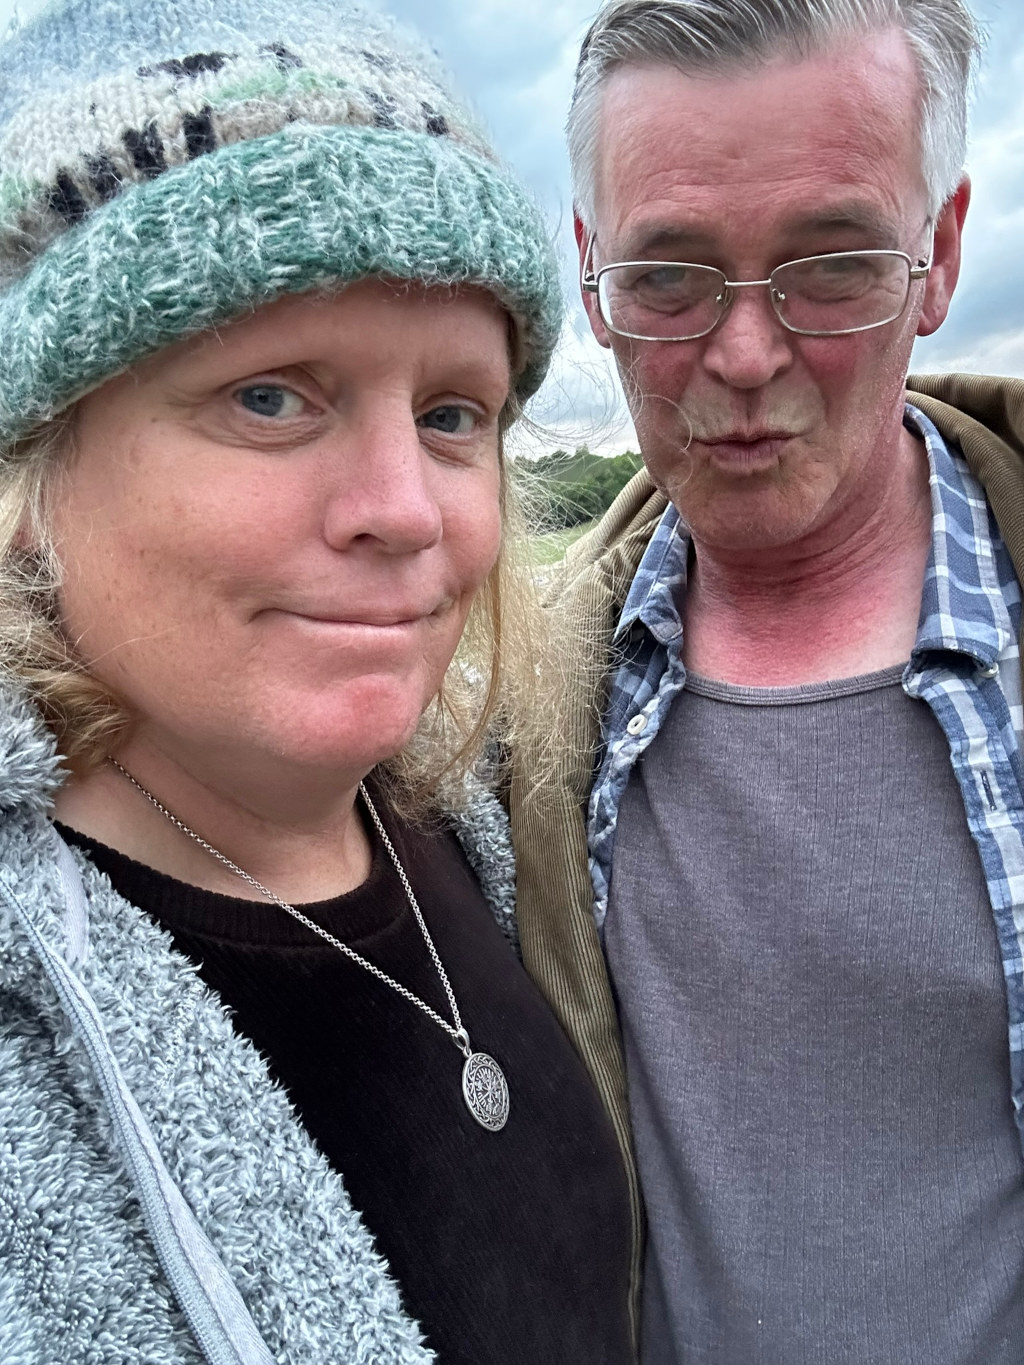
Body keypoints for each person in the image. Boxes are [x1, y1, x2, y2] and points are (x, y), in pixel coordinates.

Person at [0, 1, 638, 1361]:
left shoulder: (483, 828)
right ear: (30, 467)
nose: (405, 509)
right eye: (273, 396)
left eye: (451, 412)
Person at [506, 1, 1024, 1362]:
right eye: (670, 278)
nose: (743, 357)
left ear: (943, 252)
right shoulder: (501, 713)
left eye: (833, 263)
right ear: (588, 273)